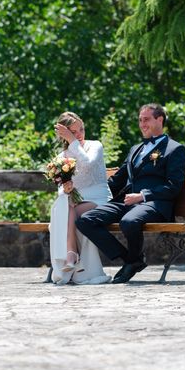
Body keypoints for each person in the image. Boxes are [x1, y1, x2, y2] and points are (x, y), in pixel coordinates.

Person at [76, 103, 185, 284]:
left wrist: (143, 196)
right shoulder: (135, 149)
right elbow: (117, 180)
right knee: (85, 220)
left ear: (160, 120)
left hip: (154, 204)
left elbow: (174, 186)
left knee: (129, 221)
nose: (142, 124)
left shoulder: (175, 149)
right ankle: (132, 260)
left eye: (147, 120)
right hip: (127, 202)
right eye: (140, 120)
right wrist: (86, 195)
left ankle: (132, 261)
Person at [49, 112, 113, 285]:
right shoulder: (61, 157)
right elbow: (60, 190)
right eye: (73, 132)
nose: (79, 135)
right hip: (76, 202)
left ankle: (71, 255)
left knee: (71, 210)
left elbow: (88, 163)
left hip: (99, 198)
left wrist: (73, 142)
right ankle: (71, 256)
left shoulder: (95, 146)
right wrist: (67, 189)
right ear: (64, 134)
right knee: (65, 207)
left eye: (81, 130)